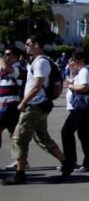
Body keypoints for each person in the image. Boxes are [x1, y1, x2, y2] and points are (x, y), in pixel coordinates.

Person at [3, 35, 66, 186]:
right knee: (42, 137)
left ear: (36, 45)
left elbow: (37, 85)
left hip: (34, 105)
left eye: (28, 44)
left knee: (19, 138)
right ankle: (67, 162)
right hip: (39, 104)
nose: (26, 46)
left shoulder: (41, 62)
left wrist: (23, 102)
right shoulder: (38, 62)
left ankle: (20, 173)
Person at [60, 48, 89, 176]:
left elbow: (84, 86)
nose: (73, 61)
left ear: (81, 59)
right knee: (84, 134)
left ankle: (70, 161)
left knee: (66, 132)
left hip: (80, 107)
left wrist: (70, 86)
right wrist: (72, 72)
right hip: (84, 107)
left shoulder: (84, 71)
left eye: (75, 59)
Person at [0, 55, 23, 159]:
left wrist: (0, 59)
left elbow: (5, 67)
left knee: (14, 134)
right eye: (4, 55)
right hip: (5, 105)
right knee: (13, 135)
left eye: (9, 55)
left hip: (11, 105)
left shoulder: (18, 68)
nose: (5, 57)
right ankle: (20, 160)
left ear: (15, 57)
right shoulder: (4, 70)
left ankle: (20, 160)